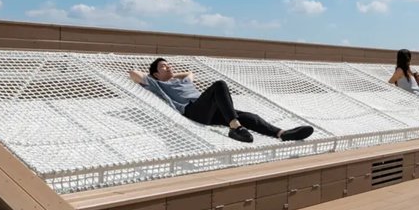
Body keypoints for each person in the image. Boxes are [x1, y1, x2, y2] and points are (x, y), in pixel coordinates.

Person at [129, 58, 314, 144]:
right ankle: (235, 128)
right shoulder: (157, 84)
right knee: (219, 85)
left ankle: (282, 134)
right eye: (163, 66)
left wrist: (170, 74)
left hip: (209, 109)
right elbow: (133, 74)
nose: (168, 67)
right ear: (155, 73)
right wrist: (160, 79)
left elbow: (189, 74)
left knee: (250, 116)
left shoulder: (181, 80)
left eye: (168, 64)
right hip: (193, 111)